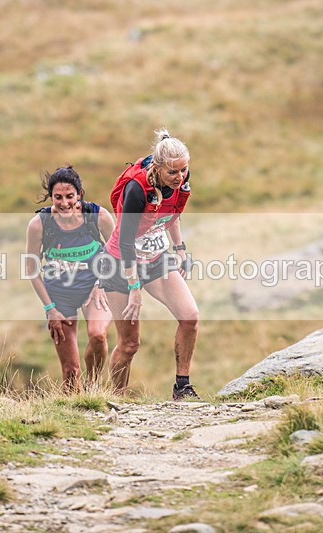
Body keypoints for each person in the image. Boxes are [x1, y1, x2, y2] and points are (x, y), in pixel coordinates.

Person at [100, 128, 200, 400]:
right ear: (157, 168)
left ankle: (182, 387)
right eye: (173, 172)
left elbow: (174, 212)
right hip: (121, 264)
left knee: (190, 317)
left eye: (184, 170)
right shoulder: (136, 190)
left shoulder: (181, 179)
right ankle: (115, 400)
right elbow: (124, 242)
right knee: (130, 344)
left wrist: (179, 250)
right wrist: (134, 287)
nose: (180, 177)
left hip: (155, 260)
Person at [24, 166, 116, 393]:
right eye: (58, 197)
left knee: (97, 335)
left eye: (70, 196)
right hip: (59, 296)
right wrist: (50, 308)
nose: (64, 203)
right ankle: (72, 412)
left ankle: (93, 388)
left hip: (94, 288)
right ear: (51, 196)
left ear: (79, 194)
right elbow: (32, 269)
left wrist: (101, 284)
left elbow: (116, 253)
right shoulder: (39, 224)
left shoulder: (98, 216)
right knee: (71, 370)